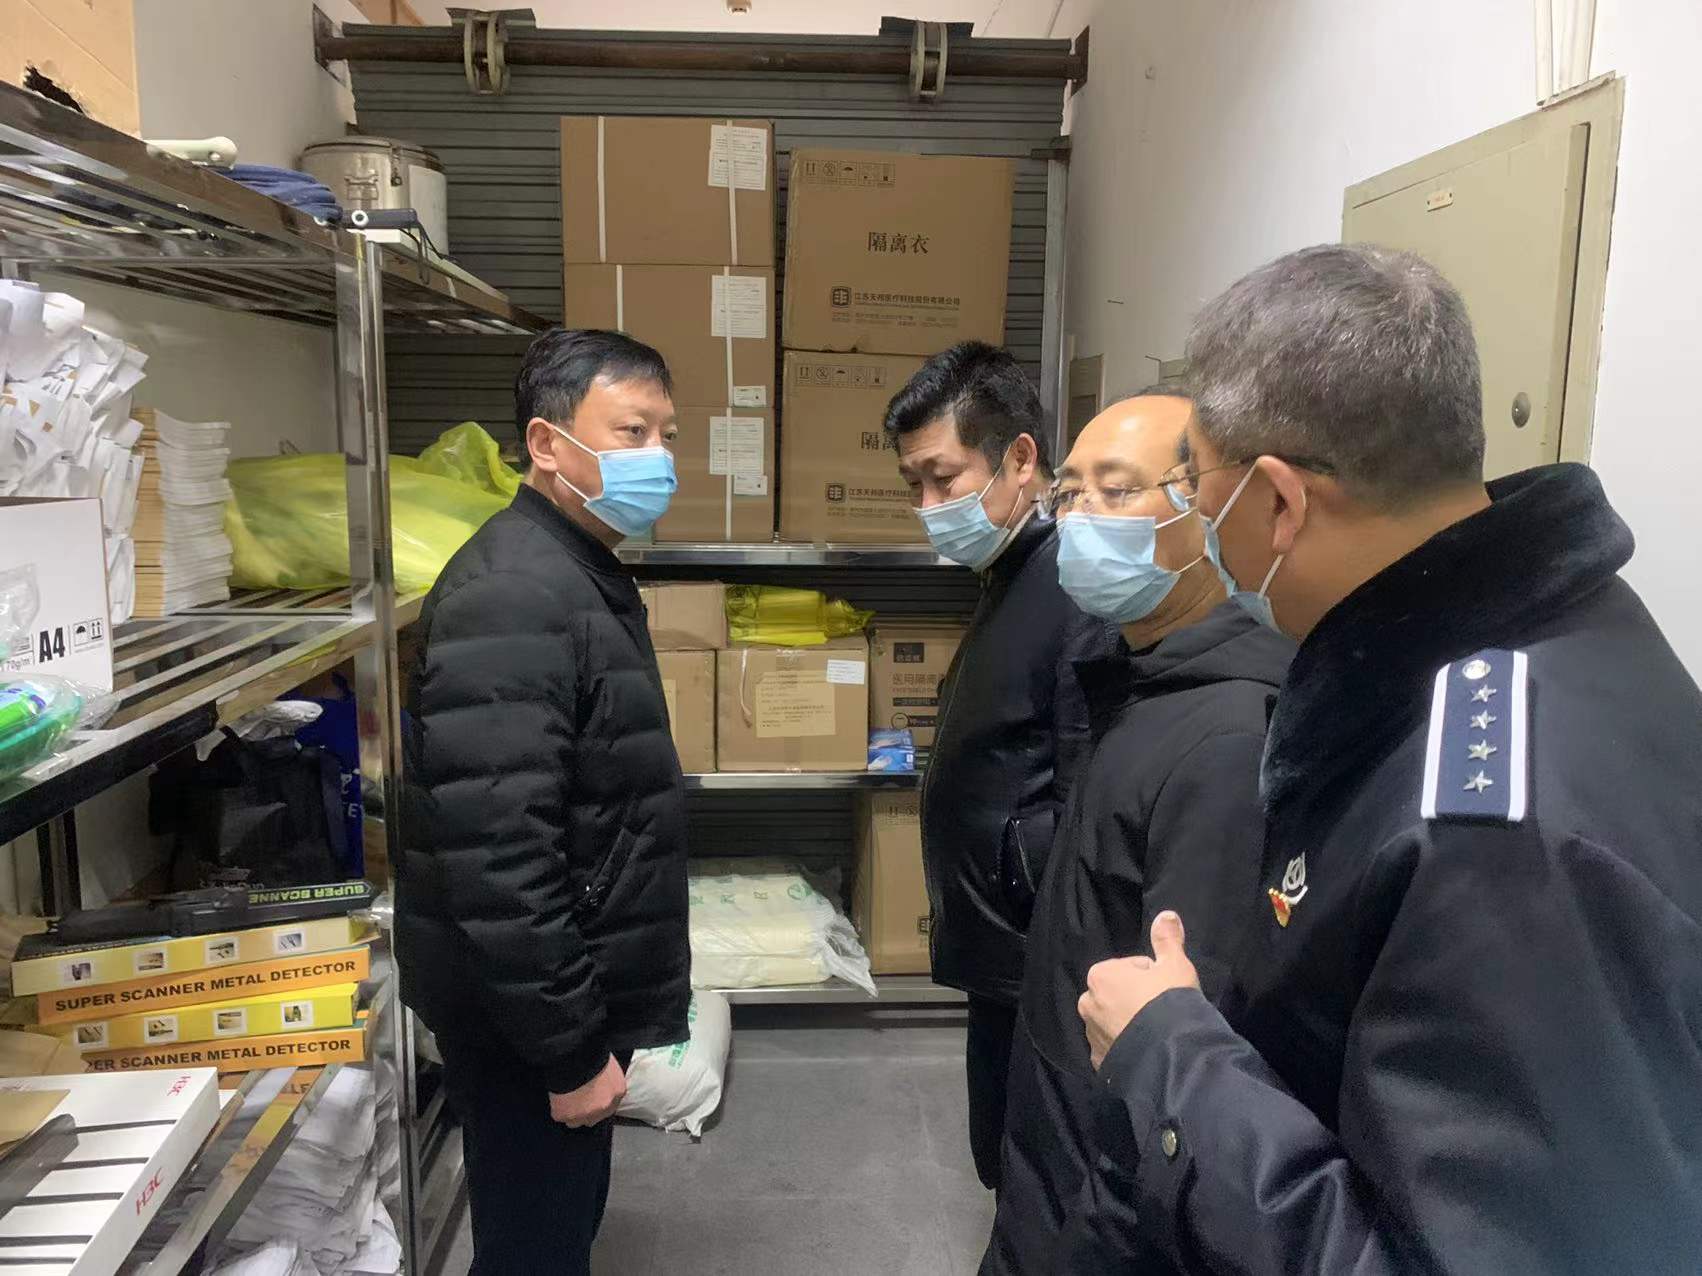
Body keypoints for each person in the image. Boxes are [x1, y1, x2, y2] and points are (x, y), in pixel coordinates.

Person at [1076, 244, 1702, 1273]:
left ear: (1278, 503)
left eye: (1196, 484)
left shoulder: (1492, 837)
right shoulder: (1564, 631)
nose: (1195, 516)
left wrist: (1171, 1060)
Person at [397, 329, 691, 1274]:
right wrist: (567, 1051)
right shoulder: (515, 592)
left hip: (553, 996)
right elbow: (500, 858)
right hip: (525, 1019)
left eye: (666, 434)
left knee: (555, 1226)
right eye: (632, 431)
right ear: (547, 443)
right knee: (535, 1247)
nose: (658, 457)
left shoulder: (570, 566)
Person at [981, 387, 1293, 1275]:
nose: (1081, 518)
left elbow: (1192, 1050)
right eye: (1070, 493)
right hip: (1053, 1161)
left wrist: (1090, 1238)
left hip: (1099, 1211)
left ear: (1210, 511)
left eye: (1117, 491)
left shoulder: (1228, 739)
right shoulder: (1143, 680)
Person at [885, 340, 1122, 1191]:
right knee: (1001, 1153)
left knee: (1035, 1172)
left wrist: (1052, 932)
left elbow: (1088, 789)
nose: (928, 506)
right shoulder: (1009, 572)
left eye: (942, 478)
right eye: (913, 484)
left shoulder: (1077, 585)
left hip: (1042, 960)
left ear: (1020, 459)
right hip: (1003, 952)